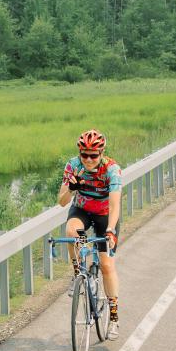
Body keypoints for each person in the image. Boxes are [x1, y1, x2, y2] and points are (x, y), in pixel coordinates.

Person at [57, 128, 122, 331]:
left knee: (106, 265)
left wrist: (110, 229)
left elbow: (114, 205)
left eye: (93, 155)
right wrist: (71, 189)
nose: (88, 159)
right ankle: (77, 274)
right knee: (71, 232)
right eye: (84, 154)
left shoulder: (112, 170)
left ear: (101, 153)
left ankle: (113, 316)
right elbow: (61, 201)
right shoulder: (73, 166)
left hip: (104, 215)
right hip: (82, 210)